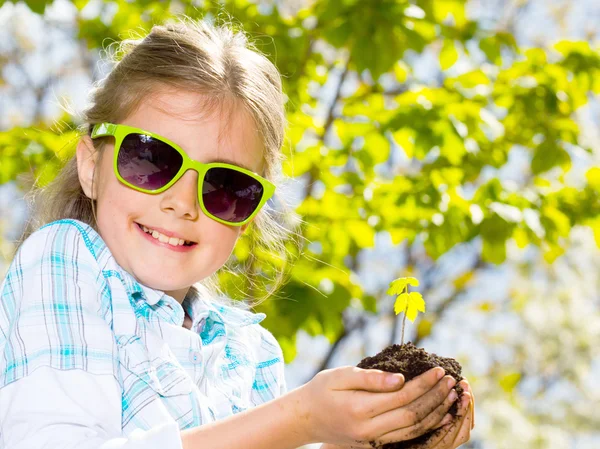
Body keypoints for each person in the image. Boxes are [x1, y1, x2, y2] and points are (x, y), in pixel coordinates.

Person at [0, 18, 474, 449]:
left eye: (225, 185)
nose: (182, 203)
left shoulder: (251, 352)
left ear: (246, 215)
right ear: (90, 165)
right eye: (151, 159)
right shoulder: (64, 258)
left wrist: (366, 438)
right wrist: (301, 418)